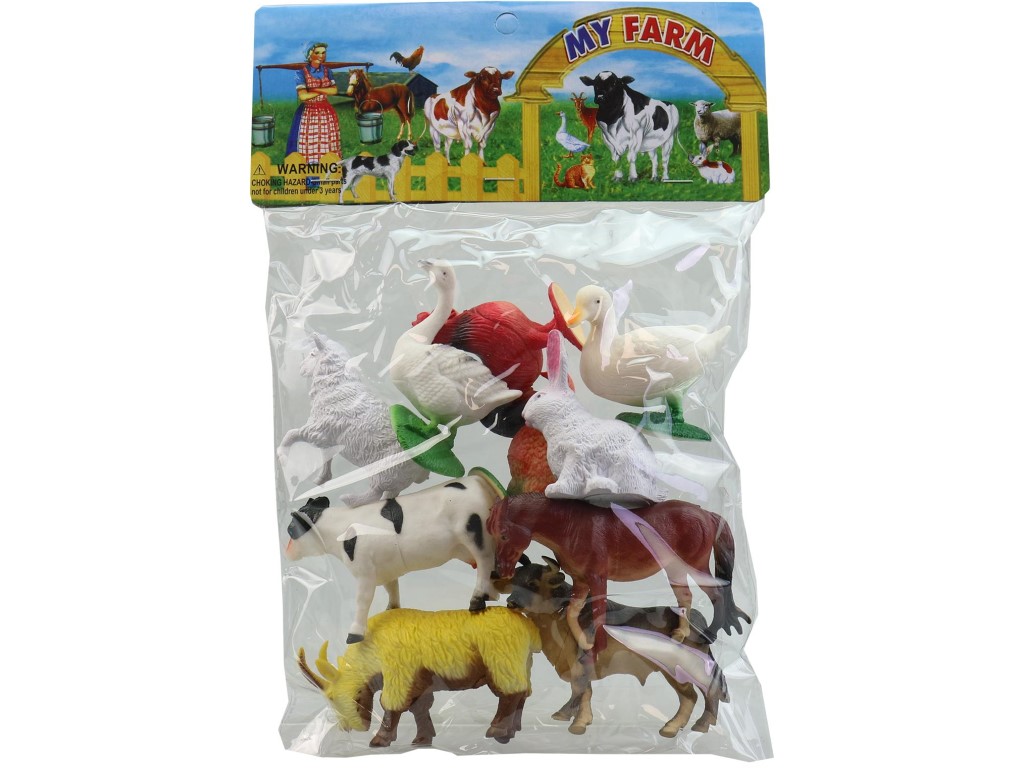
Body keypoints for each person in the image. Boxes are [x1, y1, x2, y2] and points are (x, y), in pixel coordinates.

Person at [285, 42, 341, 164]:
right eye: (317, 53)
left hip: (326, 111)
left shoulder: (327, 71)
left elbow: (334, 90)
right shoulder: (301, 73)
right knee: (307, 142)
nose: (321, 56)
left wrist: (313, 89)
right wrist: (324, 89)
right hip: (308, 112)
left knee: (327, 141)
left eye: (323, 53)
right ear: (309, 54)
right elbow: (303, 96)